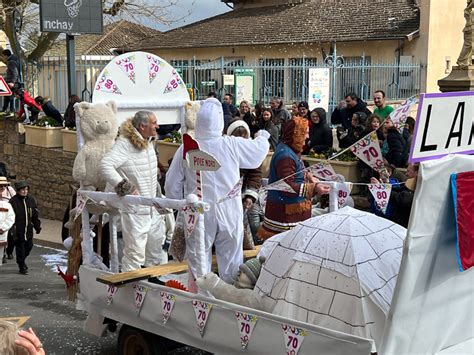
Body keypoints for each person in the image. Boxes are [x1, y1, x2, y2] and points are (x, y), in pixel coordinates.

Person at [165, 98, 270, 284]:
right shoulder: (231, 144)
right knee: (231, 256)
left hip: (198, 209)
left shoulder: (187, 147)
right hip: (228, 208)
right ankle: (228, 297)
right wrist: (262, 136)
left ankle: (200, 298)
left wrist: (176, 203)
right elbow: (257, 154)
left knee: (199, 258)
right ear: (220, 121)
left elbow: (172, 183)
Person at [99, 111, 168, 272]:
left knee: (155, 251)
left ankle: (152, 286)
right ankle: (130, 291)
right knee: (134, 254)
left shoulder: (149, 142)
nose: (157, 126)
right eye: (154, 122)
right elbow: (105, 165)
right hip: (135, 210)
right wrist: (125, 187)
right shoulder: (125, 144)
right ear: (143, 126)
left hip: (151, 208)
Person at [257, 117, 331, 240]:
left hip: (291, 211)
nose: (307, 136)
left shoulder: (290, 149)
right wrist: (315, 188)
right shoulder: (285, 155)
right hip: (285, 216)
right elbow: (287, 186)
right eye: (305, 133)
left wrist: (308, 175)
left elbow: (294, 172)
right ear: (296, 134)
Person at [227, 119, 263, 249]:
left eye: (244, 136)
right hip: (223, 196)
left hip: (241, 196)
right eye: (238, 136)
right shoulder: (224, 148)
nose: (241, 140)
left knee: (241, 228)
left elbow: (256, 173)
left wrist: (250, 195)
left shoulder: (251, 150)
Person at [371, 163, 419, 227]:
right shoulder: (408, 186)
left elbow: (402, 198)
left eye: (408, 171)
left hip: (403, 224)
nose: (406, 174)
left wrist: (381, 188)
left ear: (416, 173)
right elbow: (398, 190)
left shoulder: (417, 189)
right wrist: (384, 184)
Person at [9, 180, 41, 275]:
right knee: (20, 249)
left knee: (29, 246)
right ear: (18, 190)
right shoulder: (13, 202)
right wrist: (12, 230)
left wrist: (37, 226)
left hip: (28, 230)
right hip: (18, 231)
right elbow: (10, 217)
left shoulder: (31, 200)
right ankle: (21, 266)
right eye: (22, 190)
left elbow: (35, 215)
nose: (25, 191)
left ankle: (22, 260)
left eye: (26, 189)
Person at [0, 176, 16, 261]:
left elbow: (15, 201)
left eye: (3, 186)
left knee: (11, 236)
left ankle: (8, 252)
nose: (2, 188)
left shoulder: (10, 191)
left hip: (6, 222)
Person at [1, 49, 20, 115]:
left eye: (3, 56)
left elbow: (15, 73)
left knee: (11, 97)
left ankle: (12, 111)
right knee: (7, 96)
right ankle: (4, 109)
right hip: (9, 82)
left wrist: (12, 82)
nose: (3, 58)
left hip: (12, 83)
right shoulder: (11, 61)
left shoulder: (11, 62)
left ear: (5, 55)